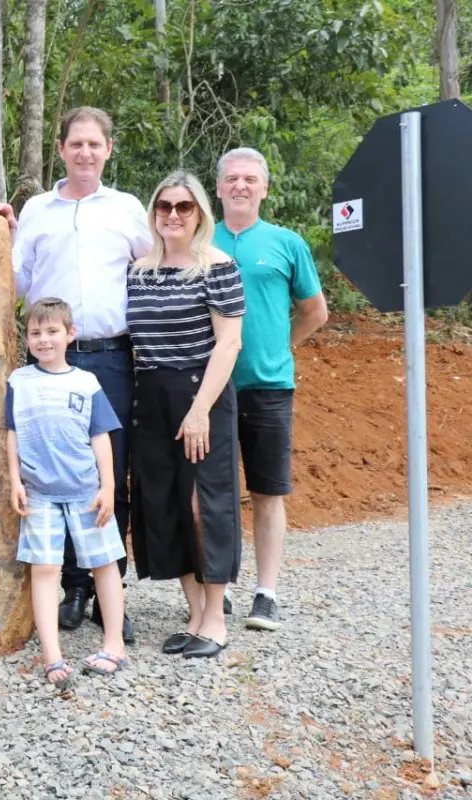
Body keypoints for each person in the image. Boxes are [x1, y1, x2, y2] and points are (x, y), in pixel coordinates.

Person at [0, 106, 151, 641]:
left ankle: (109, 585)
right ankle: (73, 586)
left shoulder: (127, 210)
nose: (85, 153)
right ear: (61, 150)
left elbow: (152, 271)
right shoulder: (36, 211)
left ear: (108, 150)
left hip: (109, 357)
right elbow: (15, 278)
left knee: (107, 470)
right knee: (56, 471)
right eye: (76, 143)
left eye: (94, 145)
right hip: (50, 358)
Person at [126, 170, 245, 660]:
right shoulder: (139, 270)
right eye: (163, 206)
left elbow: (229, 342)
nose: (172, 215)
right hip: (150, 396)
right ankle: (193, 612)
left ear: (200, 213)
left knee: (205, 505)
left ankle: (215, 620)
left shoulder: (217, 266)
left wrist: (199, 412)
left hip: (203, 395)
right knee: (165, 502)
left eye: (184, 207)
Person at [213, 147, 328, 631]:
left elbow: (314, 311)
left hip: (268, 387)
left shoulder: (286, 243)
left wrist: (280, 349)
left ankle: (266, 593)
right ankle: (215, 589)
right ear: (217, 187)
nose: (241, 186)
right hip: (208, 389)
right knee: (212, 492)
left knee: (267, 492)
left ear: (264, 187)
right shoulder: (199, 238)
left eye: (250, 179)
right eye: (232, 178)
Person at [6, 298, 129, 687]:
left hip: (86, 491)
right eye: (36, 333)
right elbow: (11, 433)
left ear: (70, 334)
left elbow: (101, 437)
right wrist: (14, 480)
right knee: (44, 568)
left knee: (104, 564)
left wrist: (109, 486)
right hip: (39, 493)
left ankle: (114, 644)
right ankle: (52, 655)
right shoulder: (19, 381)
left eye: (52, 331)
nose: (43, 340)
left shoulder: (86, 382)